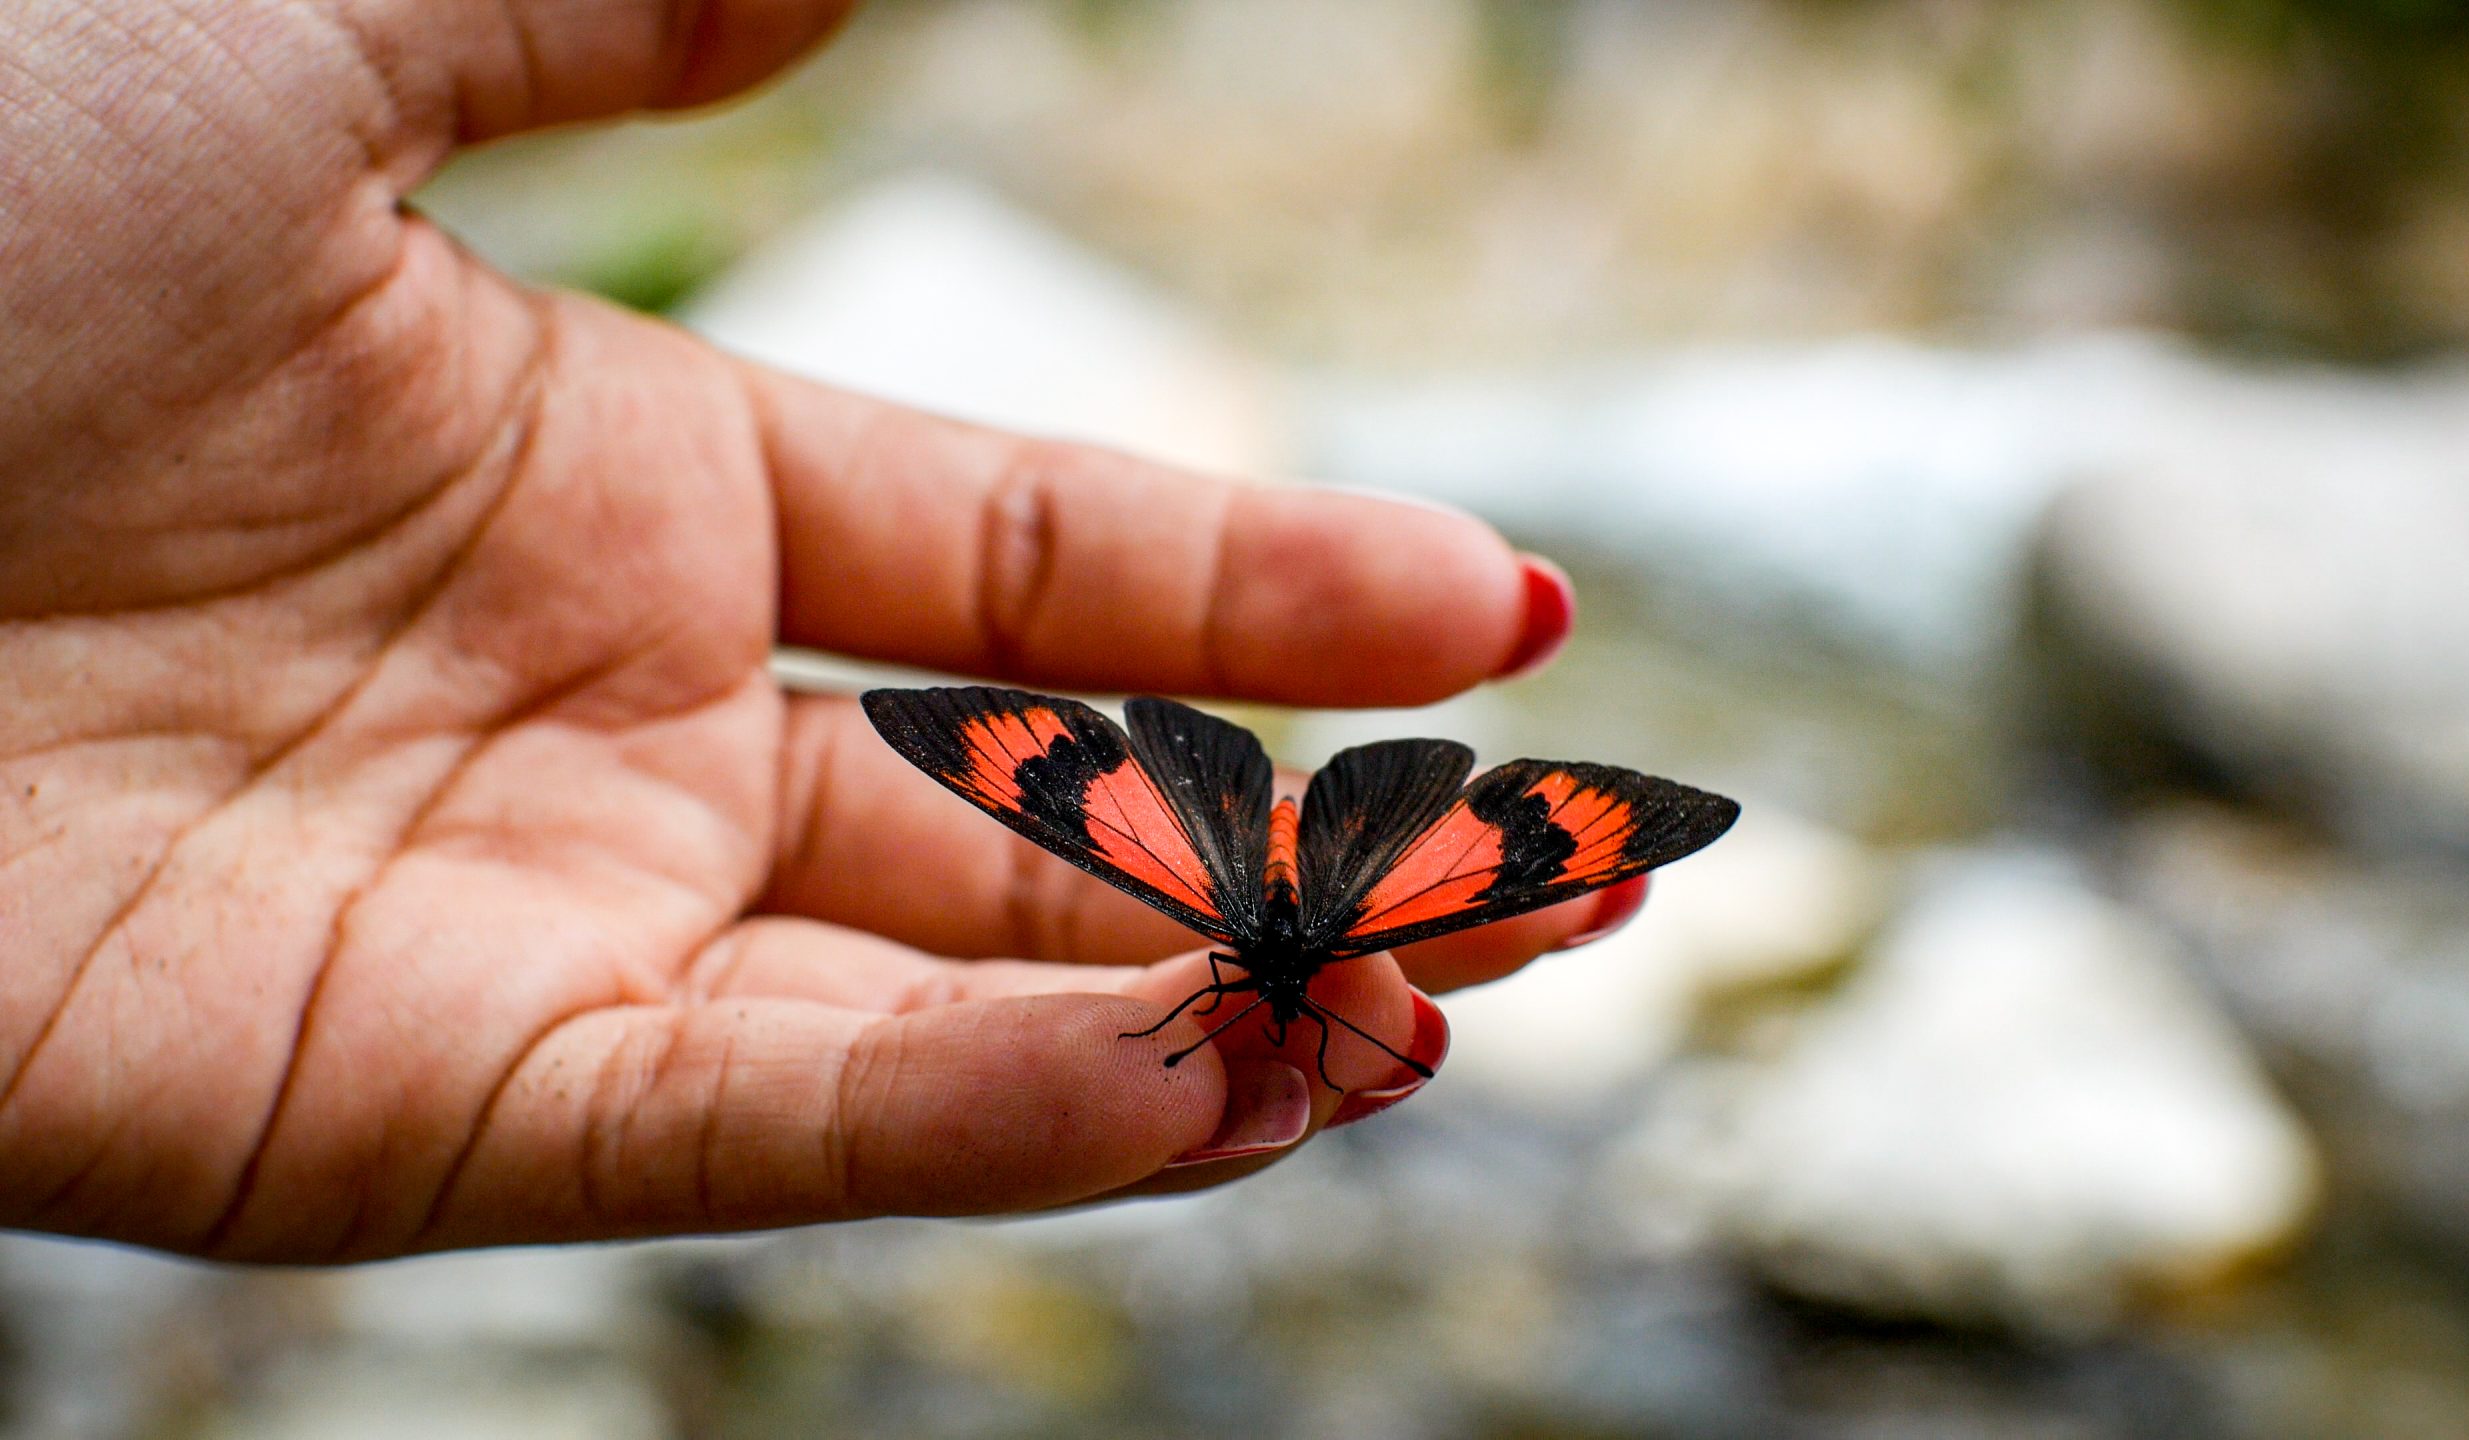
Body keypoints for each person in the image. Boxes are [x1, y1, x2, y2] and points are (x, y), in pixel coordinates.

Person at [0, 0, 1641, 1263]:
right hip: (1261, 861)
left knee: (1126, 885)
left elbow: (1064, 803)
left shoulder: (1220, 917)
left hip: (1216, 857)